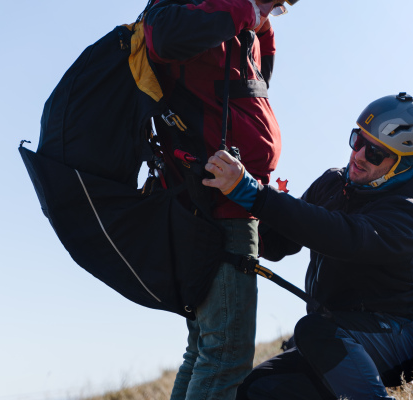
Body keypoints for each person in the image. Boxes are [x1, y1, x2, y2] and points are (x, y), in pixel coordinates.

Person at [203, 92, 413, 399]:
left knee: (313, 330)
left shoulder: (405, 214)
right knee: (257, 388)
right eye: (357, 140)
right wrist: (238, 215)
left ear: (403, 163)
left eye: (375, 153)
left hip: (405, 336)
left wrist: (256, 195)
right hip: (336, 334)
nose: (358, 156)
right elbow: (278, 244)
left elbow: (339, 235)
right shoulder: (332, 183)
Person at [143, 1, 300, 399]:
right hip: (217, 209)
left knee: (204, 350)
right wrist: (249, 10)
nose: (270, 10)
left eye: (280, 8)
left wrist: (261, 27)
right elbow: (164, 36)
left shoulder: (239, 26)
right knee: (225, 356)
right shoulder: (204, 11)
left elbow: (252, 92)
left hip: (226, 204)